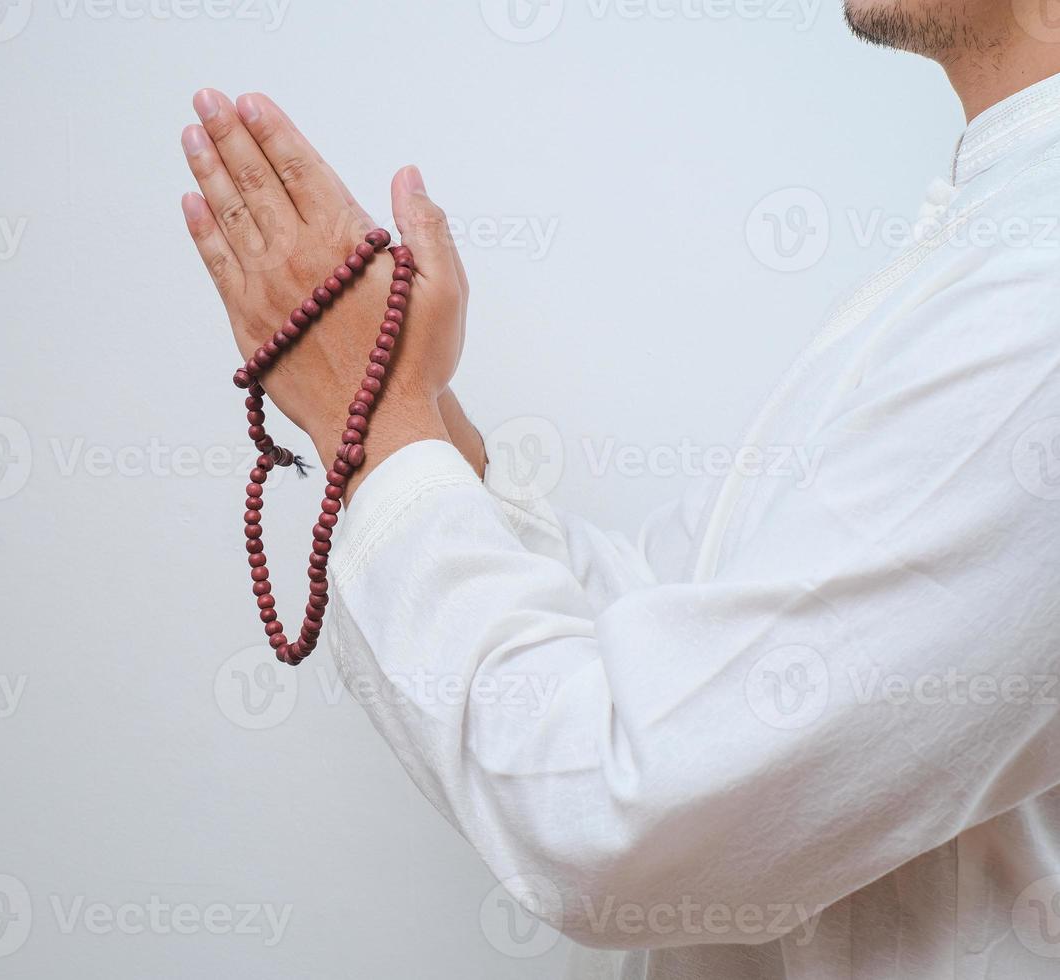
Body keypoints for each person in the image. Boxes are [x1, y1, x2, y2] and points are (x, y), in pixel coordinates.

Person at [177, 8, 1060, 977]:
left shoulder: (1033, 302)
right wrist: (418, 416)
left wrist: (375, 419)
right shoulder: (993, 246)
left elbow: (621, 814)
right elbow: (672, 650)